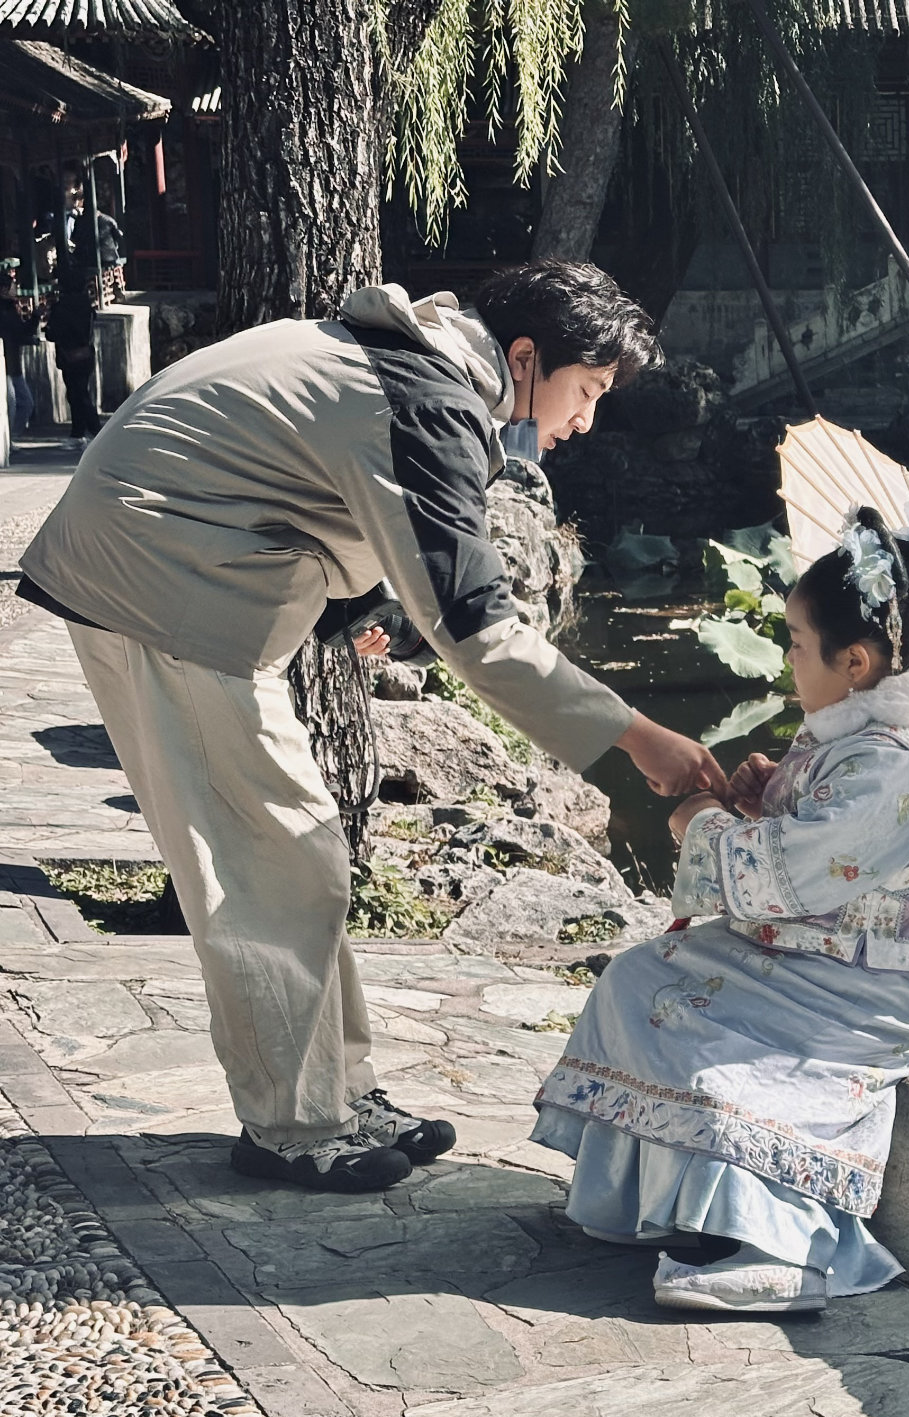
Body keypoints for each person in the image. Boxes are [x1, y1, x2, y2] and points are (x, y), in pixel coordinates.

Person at [18, 260, 726, 1195]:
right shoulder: (426, 399)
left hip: (172, 573)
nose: (587, 420)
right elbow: (477, 626)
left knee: (301, 855)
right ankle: (294, 1127)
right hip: (161, 593)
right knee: (272, 865)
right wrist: (641, 739)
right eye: (588, 390)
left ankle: (340, 1097)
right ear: (525, 358)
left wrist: (358, 611)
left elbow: (314, 489)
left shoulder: (413, 369)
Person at [532, 505, 909, 1315]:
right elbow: (820, 844)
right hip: (821, 954)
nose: (788, 657)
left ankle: (786, 1249)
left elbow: (792, 871)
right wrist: (767, 795)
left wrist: (703, 823)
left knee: (710, 1047)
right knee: (640, 980)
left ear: (854, 661)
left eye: (797, 644)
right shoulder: (861, 731)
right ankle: (667, 1203)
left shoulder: (895, 768)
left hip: (867, 990)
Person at [43, 268, 101, 443]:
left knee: (77, 395)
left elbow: (53, 333)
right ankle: (79, 431)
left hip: (70, 355)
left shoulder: (61, 307)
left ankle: (92, 430)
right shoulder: (86, 306)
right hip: (86, 353)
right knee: (80, 393)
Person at [0, 271, 40, 438]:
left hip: (13, 363)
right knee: (13, 403)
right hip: (6, 364)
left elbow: (20, 332)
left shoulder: (11, 308)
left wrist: (34, 319)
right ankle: (9, 438)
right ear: (3, 289)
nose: (15, 289)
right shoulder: (6, 311)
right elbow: (17, 332)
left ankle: (12, 436)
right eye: (12, 286)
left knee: (25, 403)